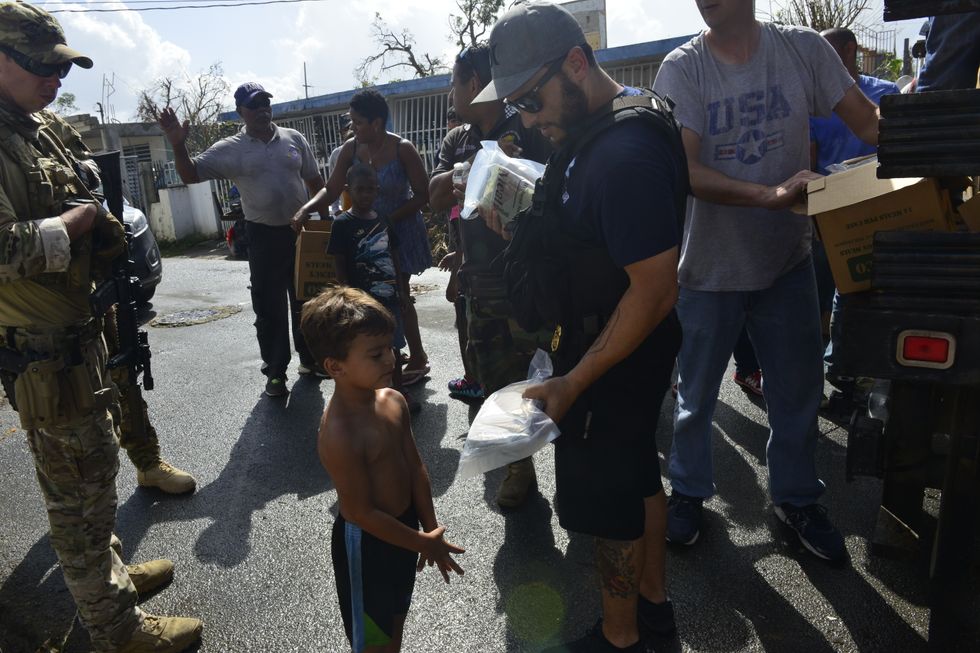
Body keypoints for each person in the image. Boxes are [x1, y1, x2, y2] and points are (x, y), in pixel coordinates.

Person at [474, 3, 687, 650]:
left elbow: (654, 288)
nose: (529, 120)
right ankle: (653, 604)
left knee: (610, 502)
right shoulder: (602, 126)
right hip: (614, 341)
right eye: (517, 108)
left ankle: (622, 636)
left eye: (532, 102)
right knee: (637, 475)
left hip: (613, 352)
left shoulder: (621, 155)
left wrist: (575, 383)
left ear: (575, 62)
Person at [0, 3, 202, 651]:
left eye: (61, 69)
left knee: (94, 478)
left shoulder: (36, 127)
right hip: (41, 354)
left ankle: (107, 577)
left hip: (78, 335)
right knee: (77, 496)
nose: (54, 81)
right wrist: (76, 226)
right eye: (40, 67)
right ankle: (116, 628)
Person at [652, 0, 879, 562]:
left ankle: (796, 498)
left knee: (797, 390)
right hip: (708, 268)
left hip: (786, 263)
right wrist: (769, 195)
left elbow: (869, 120)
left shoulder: (802, 50)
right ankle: (688, 494)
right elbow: (686, 169)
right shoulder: (684, 67)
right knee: (696, 397)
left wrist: (941, 142)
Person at [299, 286, 463, 653]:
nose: (391, 360)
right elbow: (360, 512)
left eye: (390, 348)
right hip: (367, 547)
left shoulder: (393, 400)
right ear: (335, 366)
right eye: (376, 354)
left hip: (405, 530)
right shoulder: (340, 434)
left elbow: (414, 465)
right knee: (372, 635)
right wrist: (423, 542)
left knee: (395, 616)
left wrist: (428, 527)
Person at [42, 111, 197, 495]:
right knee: (68, 415)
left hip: (91, 282)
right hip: (46, 303)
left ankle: (147, 462)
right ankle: (85, 525)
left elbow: (88, 176)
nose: (53, 79)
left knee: (126, 375)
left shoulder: (48, 127)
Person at [429, 41, 554, 508]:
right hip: (479, 282)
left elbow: (547, 186)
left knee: (542, 374)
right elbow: (436, 195)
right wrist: (468, 170)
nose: (450, 91)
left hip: (528, 279)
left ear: (474, 83)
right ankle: (520, 467)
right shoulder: (456, 140)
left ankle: (570, 461)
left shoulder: (524, 124)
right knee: (494, 378)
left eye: (453, 81)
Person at [158, 82, 325, 397]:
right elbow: (191, 174)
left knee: (308, 300)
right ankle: (276, 373)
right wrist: (177, 145)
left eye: (266, 103)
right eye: (254, 105)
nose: (263, 110)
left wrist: (325, 223)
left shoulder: (293, 138)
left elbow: (316, 182)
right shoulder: (230, 148)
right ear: (241, 112)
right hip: (263, 236)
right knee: (269, 306)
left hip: (301, 232)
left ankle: (310, 360)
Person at [295, 90, 432, 386]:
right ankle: (385, 352)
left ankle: (416, 356)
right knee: (367, 296)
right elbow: (331, 189)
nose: (353, 127)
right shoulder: (350, 149)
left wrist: (387, 221)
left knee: (398, 294)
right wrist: (306, 208)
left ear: (377, 122)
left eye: (358, 121)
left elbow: (424, 194)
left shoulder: (403, 149)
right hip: (361, 235)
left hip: (398, 233)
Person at [811, 27, 899, 393]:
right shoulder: (814, 102)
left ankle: (850, 368)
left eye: (827, 53)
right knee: (816, 296)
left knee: (860, 293)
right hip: (828, 214)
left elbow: (896, 154)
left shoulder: (885, 95)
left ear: (849, 51)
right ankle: (815, 371)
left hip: (876, 210)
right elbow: (809, 160)